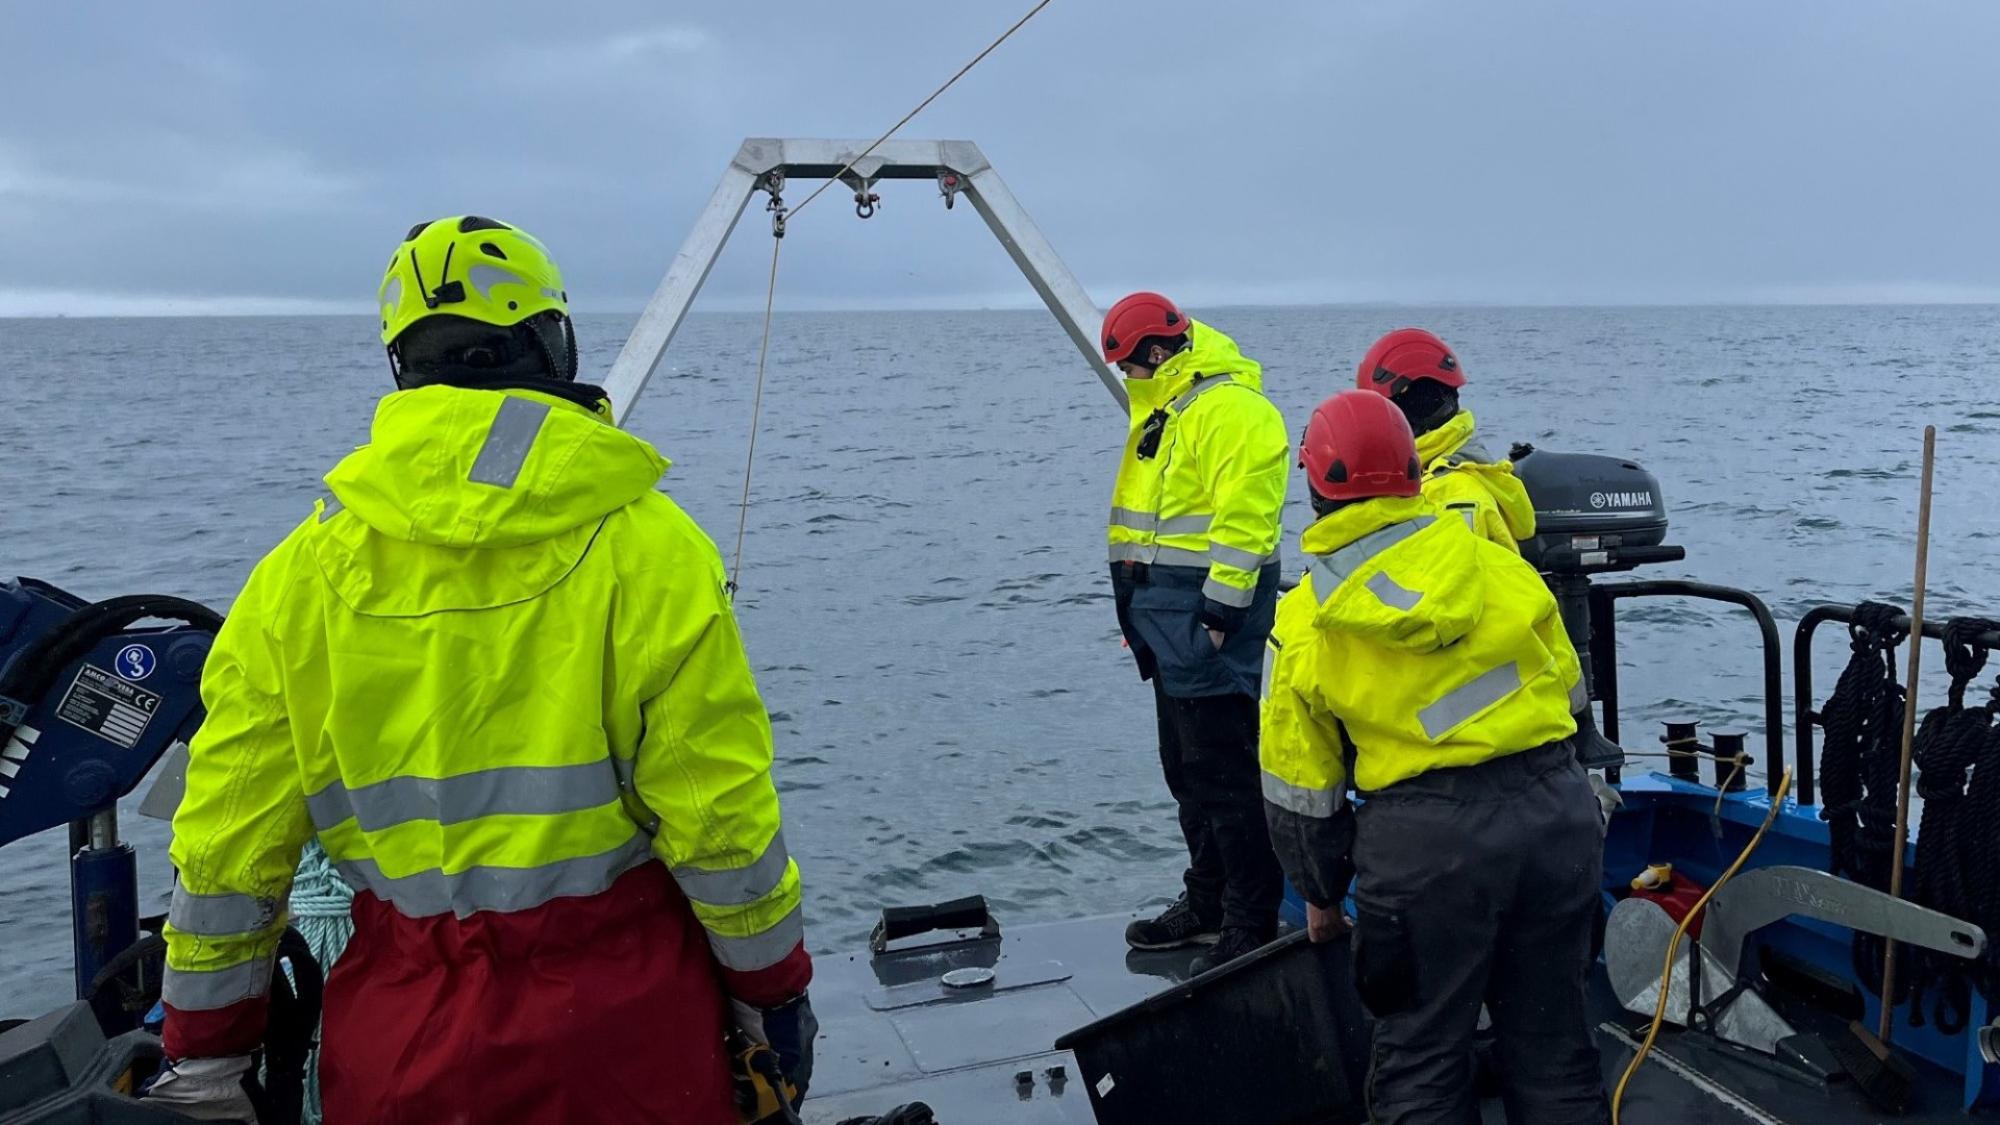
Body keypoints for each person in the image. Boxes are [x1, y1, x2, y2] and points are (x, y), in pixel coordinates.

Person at [150, 216, 814, 1123]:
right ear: (551, 342)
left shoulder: (293, 580)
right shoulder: (653, 550)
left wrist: (207, 1060)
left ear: (402, 367)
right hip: (624, 1050)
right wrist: (769, 991)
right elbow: (721, 824)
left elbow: (226, 854)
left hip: (400, 1054)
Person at [1259, 389, 1607, 1124]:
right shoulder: (1497, 565)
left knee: (1420, 1064)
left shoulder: (1302, 622)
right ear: (1417, 473)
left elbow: (1300, 792)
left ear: (1315, 486)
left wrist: (1321, 894)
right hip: (1556, 823)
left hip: (1425, 855)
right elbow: (1573, 704)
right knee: (1554, 1051)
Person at [1101, 291, 1290, 972]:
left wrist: (1215, 619)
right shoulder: (1174, 409)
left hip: (1206, 627)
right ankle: (1208, 899)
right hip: (1168, 625)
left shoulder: (1232, 410)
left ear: (1156, 354)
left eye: (1130, 367)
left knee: (1227, 782)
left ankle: (1250, 919)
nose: (1128, 380)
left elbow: (1246, 527)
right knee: (1188, 773)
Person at [1354, 327, 1534, 551]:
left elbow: (1457, 583)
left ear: (1410, 407)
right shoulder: (1436, 469)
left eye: (1381, 411)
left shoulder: (1453, 495)